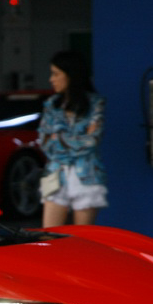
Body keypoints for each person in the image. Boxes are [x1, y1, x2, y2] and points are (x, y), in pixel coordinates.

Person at [37, 50, 106, 227]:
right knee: (50, 238)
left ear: (71, 75)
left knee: (83, 240)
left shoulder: (95, 103)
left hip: (87, 176)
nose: (51, 79)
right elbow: (44, 142)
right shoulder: (52, 104)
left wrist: (58, 138)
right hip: (55, 174)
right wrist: (76, 140)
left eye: (55, 74)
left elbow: (92, 141)